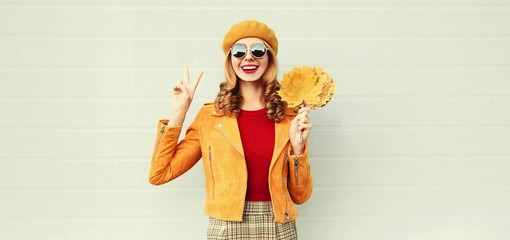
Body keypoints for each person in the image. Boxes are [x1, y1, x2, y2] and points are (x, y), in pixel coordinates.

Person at [149, 19, 313, 239]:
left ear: (269, 58)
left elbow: (300, 195)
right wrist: (179, 113)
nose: (248, 57)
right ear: (230, 60)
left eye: (257, 50)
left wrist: (298, 148)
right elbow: (160, 174)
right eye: (238, 51)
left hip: (278, 227)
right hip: (226, 228)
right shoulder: (210, 116)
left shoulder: (290, 116)